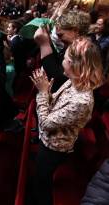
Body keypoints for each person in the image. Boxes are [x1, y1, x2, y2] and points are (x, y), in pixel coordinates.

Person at [30, 37, 104, 205]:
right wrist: (47, 91)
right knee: (39, 178)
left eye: (65, 59)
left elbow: (46, 124)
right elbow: (55, 103)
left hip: (54, 148)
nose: (62, 60)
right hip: (48, 141)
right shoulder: (75, 81)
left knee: (42, 185)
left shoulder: (82, 100)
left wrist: (42, 93)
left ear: (76, 66)